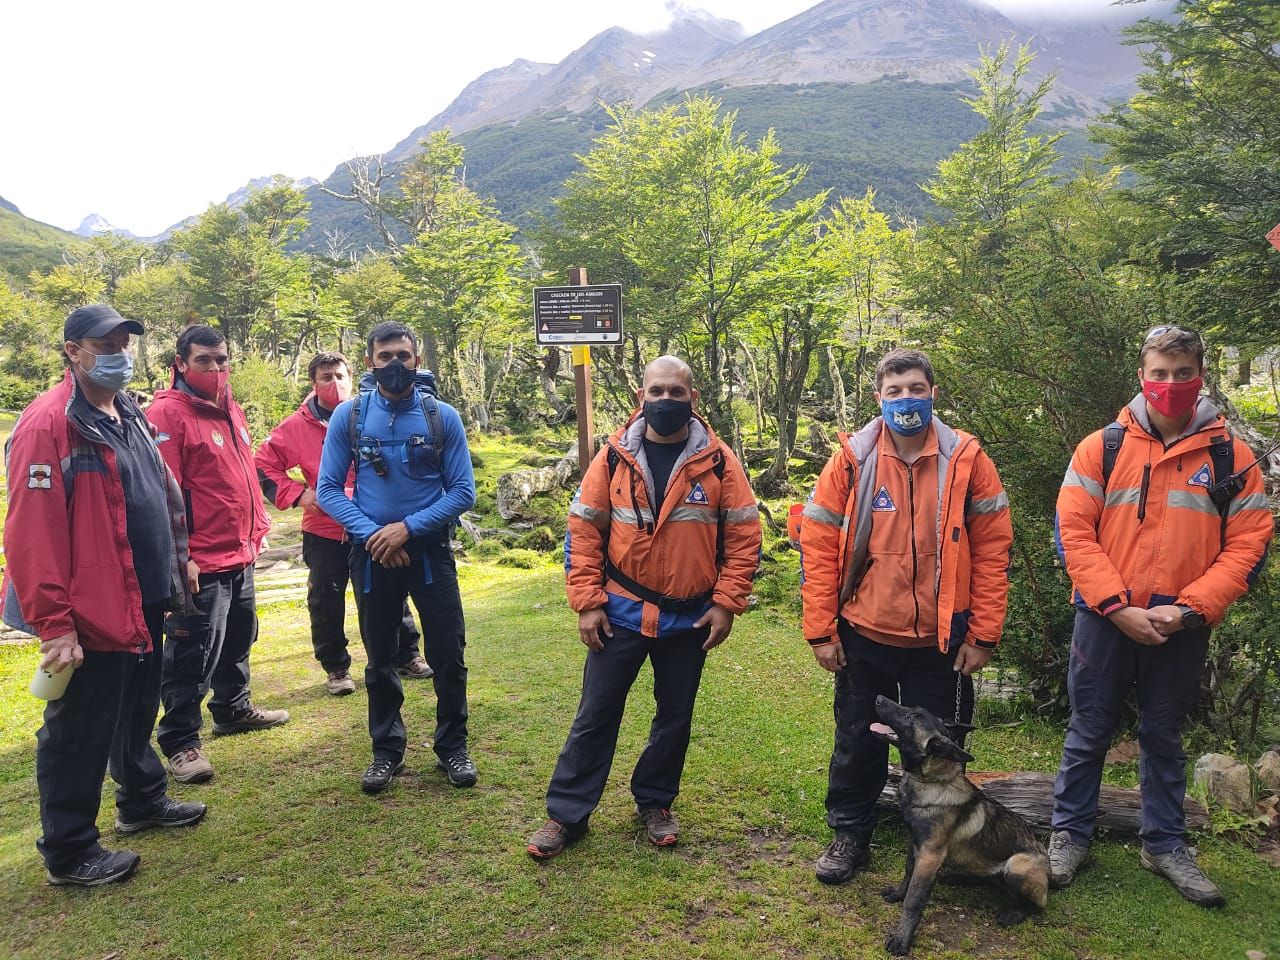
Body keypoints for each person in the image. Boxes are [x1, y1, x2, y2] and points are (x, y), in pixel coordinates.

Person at [1048, 326, 1273, 907]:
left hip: (1182, 625)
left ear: (1199, 376)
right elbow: (1072, 533)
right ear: (1141, 375)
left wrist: (1189, 610)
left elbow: (1248, 547)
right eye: (1158, 373)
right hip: (1104, 618)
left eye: (1181, 373)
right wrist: (1117, 607)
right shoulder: (1103, 447)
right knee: (1088, 731)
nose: (1169, 385)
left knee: (1163, 737)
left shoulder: (1232, 456)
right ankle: (1069, 836)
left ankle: (1165, 844)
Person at [1, 304, 206, 887]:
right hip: (88, 606)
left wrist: (180, 558)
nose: (119, 353)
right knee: (78, 727)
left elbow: (159, 491)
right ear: (73, 351)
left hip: (141, 593)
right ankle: (70, 851)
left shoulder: (126, 411)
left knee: (136, 706)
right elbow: (30, 534)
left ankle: (141, 801)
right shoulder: (48, 424)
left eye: (125, 342)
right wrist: (54, 623)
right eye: (105, 344)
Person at [526, 355, 762, 859]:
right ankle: (566, 815)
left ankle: (655, 803)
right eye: (657, 392)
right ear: (641, 396)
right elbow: (584, 531)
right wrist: (588, 602)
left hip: (689, 617)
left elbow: (744, 538)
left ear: (693, 398)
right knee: (595, 714)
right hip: (620, 612)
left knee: (674, 717)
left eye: (676, 392)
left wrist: (726, 603)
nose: (666, 401)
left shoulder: (719, 461)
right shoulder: (613, 457)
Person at [799, 348, 1014, 886]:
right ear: (879, 397)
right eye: (894, 392)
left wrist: (984, 633)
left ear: (933, 392)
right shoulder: (852, 459)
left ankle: (941, 841)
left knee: (939, 748)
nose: (906, 400)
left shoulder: (966, 459)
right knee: (857, 738)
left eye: (916, 389)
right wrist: (821, 630)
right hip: (864, 631)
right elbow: (819, 547)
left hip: (940, 640)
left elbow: (993, 550)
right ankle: (851, 833)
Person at [316, 322, 477, 794]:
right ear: (369, 362)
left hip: (429, 553)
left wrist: (406, 529)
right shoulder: (349, 418)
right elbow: (328, 488)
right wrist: (373, 536)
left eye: (403, 356)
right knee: (379, 657)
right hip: (372, 557)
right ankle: (386, 751)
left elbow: (463, 490)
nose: (394, 365)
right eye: (385, 356)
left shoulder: (441, 416)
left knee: (448, 653)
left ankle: (453, 747)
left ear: (417, 361)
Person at [147, 325, 289, 784]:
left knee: (240, 636)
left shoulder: (231, 408)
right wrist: (179, 555)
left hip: (241, 552)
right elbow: (162, 493)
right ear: (181, 365)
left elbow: (243, 475)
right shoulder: (167, 414)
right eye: (205, 360)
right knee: (193, 652)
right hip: (200, 561)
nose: (215, 369)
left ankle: (233, 707)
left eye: (222, 360)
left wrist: (259, 527)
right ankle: (181, 742)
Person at [255, 351, 432, 696]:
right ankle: (336, 667)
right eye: (325, 377)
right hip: (323, 530)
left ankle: (406, 653)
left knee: (390, 591)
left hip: (374, 524)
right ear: (313, 383)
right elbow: (261, 463)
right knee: (325, 598)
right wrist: (299, 493)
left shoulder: (369, 413)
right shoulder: (295, 425)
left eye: (339, 376)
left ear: (352, 377)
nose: (334, 383)